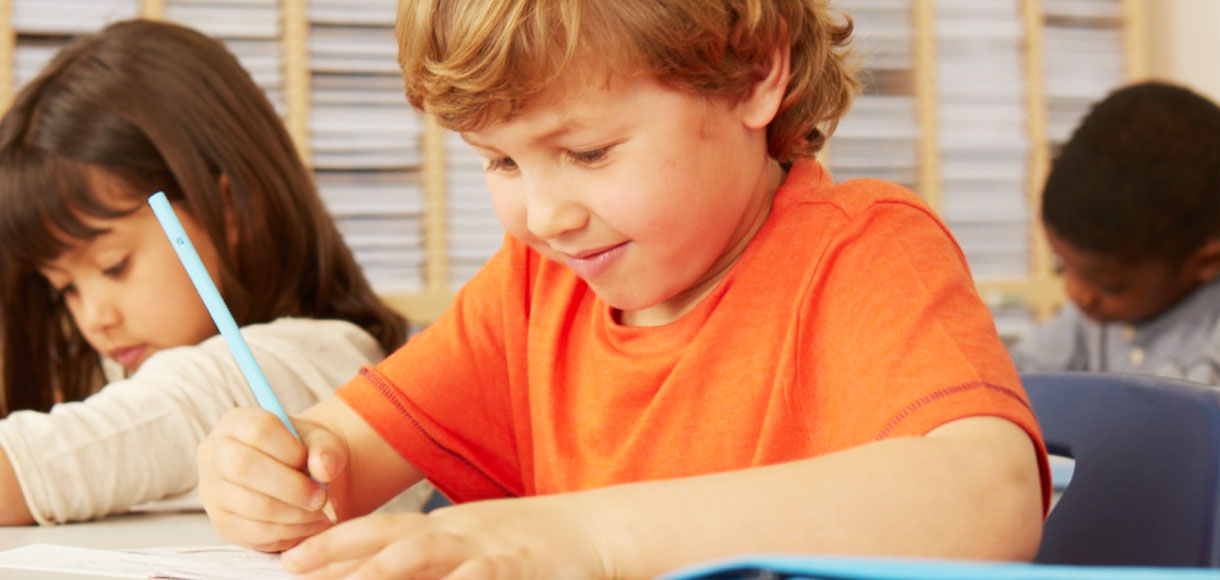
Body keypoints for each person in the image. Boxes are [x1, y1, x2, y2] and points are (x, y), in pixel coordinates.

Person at [198, 1, 1050, 578]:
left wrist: (585, 536)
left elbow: (989, 499)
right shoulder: (535, 289)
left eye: (588, 152)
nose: (544, 216)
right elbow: (336, 467)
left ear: (755, 74)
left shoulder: (862, 250)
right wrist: (272, 472)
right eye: (500, 162)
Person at [0, 19, 417, 526]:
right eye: (65, 288)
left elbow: (38, 465)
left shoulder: (303, 363)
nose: (94, 319)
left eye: (114, 266)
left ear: (232, 207)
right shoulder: (136, 358)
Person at [1009, 81, 1220, 382]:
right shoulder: (1089, 317)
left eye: (1111, 285)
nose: (1077, 293)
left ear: (1207, 262)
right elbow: (1014, 377)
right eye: (1062, 266)